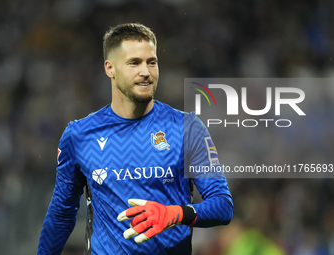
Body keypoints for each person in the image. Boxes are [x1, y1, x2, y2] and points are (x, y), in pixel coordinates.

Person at [37, 23, 234, 255]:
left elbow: (223, 205)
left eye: (152, 62)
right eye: (134, 63)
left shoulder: (186, 128)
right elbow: (61, 214)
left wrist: (175, 214)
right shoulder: (80, 135)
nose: (146, 71)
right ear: (110, 68)